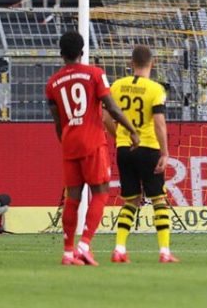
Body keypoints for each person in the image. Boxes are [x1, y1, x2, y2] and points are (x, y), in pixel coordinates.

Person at [45, 30, 140, 266]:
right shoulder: (95, 74)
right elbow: (113, 109)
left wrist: (65, 143)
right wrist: (131, 130)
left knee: (73, 198)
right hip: (92, 141)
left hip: (69, 143)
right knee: (100, 192)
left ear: (61, 54)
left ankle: (68, 253)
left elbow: (58, 122)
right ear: (82, 52)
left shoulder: (52, 84)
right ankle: (85, 245)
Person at [103, 45, 177, 263]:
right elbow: (159, 122)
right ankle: (164, 252)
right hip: (148, 148)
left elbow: (105, 117)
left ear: (131, 63)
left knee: (131, 201)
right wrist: (164, 152)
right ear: (151, 64)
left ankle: (119, 248)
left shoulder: (117, 86)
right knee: (159, 200)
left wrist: (119, 137)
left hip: (124, 149)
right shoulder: (155, 89)